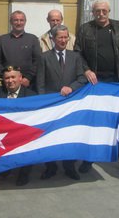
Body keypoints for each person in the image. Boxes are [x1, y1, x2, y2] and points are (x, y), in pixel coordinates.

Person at [74, 0, 119, 175]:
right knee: (93, 122)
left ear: (109, 12)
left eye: (104, 11)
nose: (101, 14)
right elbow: (78, 53)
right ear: (92, 12)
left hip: (117, 83)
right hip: (95, 84)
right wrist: (86, 70)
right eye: (97, 11)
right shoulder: (85, 29)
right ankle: (89, 159)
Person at [36, 25, 87, 181]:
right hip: (51, 106)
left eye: (66, 37)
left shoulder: (75, 57)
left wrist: (71, 88)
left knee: (68, 136)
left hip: (70, 105)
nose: (64, 40)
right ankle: (50, 167)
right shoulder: (44, 57)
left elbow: (82, 78)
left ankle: (69, 166)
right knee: (50, 137)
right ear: (53, 39)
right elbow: (40, 83)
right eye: (60, 37)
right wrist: (44, 104)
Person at [0, 66, 37, 186]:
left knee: (30, 142)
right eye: (7, 78)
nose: (10, 81)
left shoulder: (31, 96)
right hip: (1, 131)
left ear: (20, 78)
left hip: (22, 133)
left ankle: (24, 174)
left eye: (13, 77)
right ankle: (4, 169)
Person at [0, 11, 41, 91]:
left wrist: (28, 78)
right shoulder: (2, 39)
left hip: (28, 85)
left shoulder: (33, 39)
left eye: (21, 20)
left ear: (25, 22)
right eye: (16, 20)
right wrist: (6, 77)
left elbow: (38, 61)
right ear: (11, 22)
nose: (19, 23)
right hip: (7, 85)